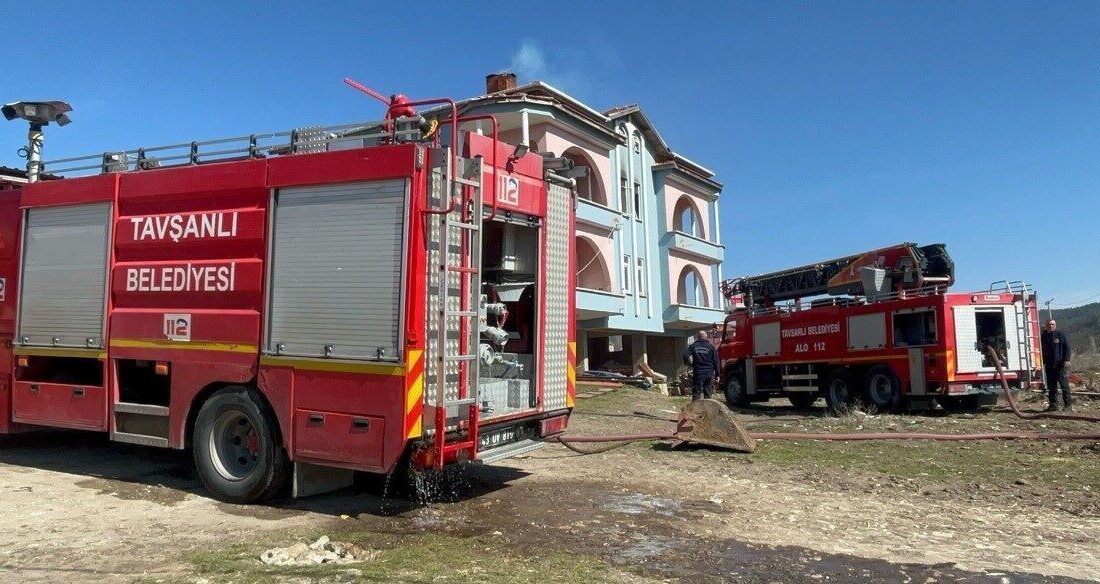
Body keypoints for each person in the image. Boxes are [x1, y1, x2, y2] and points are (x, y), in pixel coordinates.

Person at [1040, 319, 1072, 412]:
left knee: (1064, 385)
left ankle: (1068, 406)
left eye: (1052, 324)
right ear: (1046, 325)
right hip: (1049, 364)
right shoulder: (1043, 335)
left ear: (1055, 325)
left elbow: (1067, 347)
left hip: (1060, 364)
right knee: (1051, 386)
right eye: (1049, 324)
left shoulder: (1060, 334)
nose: (1051, 326)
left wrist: (1067, 360)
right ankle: (1053, 405)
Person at [683, 331, 720, 401]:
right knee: (708, 393)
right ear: (706, 337)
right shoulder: (711, 347)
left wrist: (689, 364)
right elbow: (716, 361)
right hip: (709, 372)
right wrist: (717, 374)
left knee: (697, 393)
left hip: (698, 372)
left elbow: (685, 355)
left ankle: (695, 410)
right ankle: (707, 410)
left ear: (697, 337)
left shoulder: (693, 346)